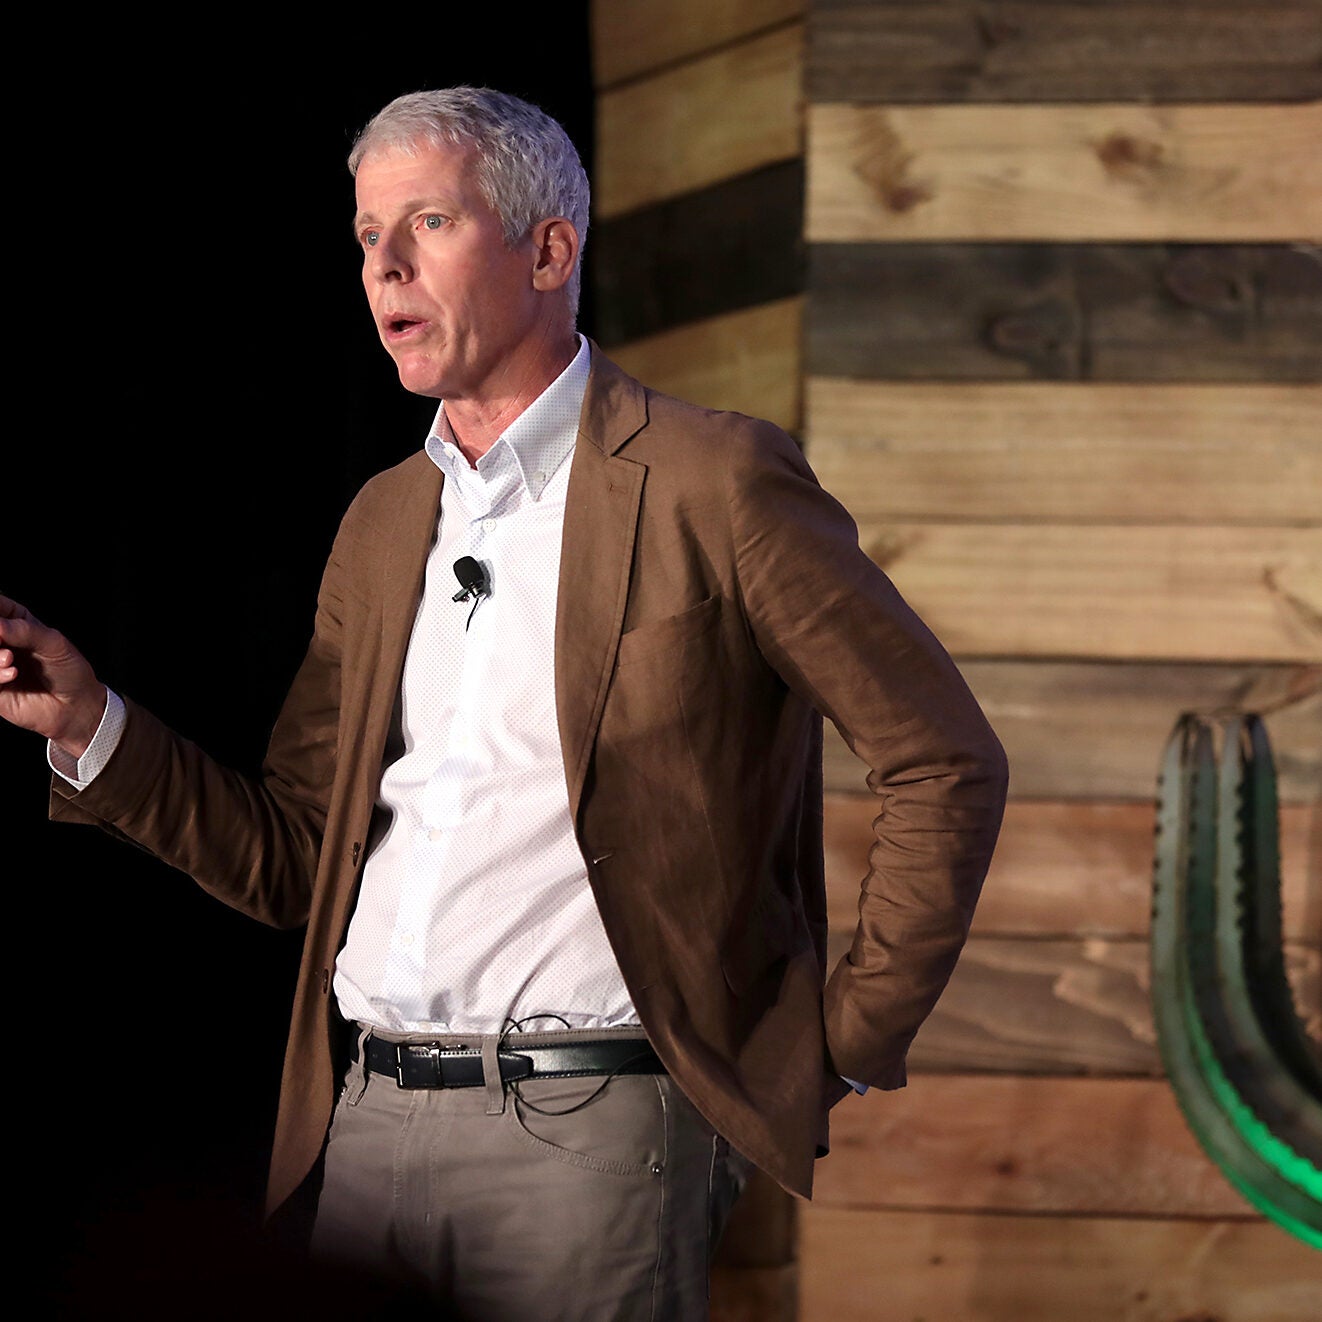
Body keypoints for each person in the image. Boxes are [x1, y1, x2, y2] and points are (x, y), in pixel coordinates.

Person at [0, 88, 1007, 1319]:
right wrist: (91, 723)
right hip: (361, 1122)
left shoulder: (713, 481)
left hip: (588, 1133)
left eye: (426, 221)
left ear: (547, 250)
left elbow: (939, 756)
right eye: (366, 234)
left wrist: (836, 1044)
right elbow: (294, 859)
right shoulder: (381, 521)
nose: (382, 265)